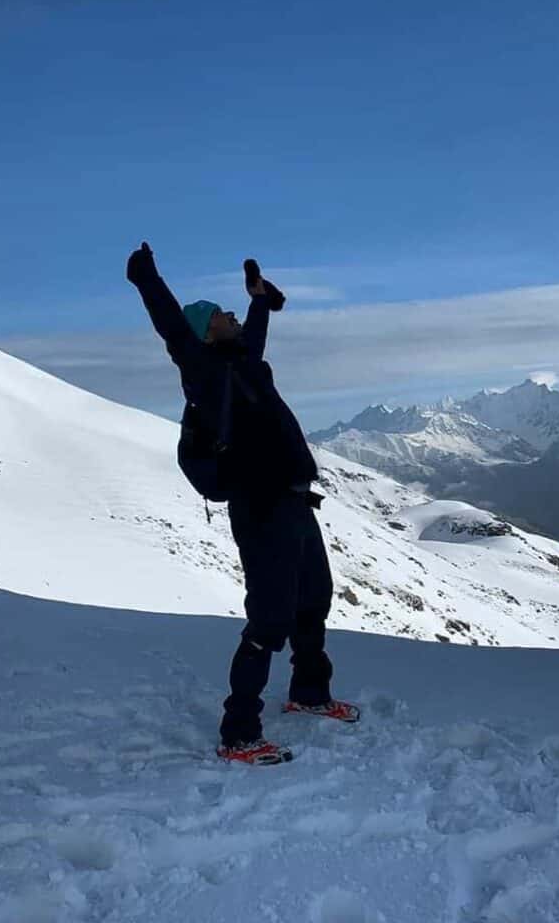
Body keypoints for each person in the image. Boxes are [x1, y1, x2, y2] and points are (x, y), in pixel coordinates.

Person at [126, 241, 358, 766]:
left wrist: (257, 301)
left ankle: (309, 693)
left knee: (312, 600)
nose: (232, 316)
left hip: (296, 503)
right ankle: (239, 731)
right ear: (208, 331)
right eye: (224, 314)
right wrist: (147, 279)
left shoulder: (242, 363)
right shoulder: (204, 373)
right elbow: (173, 329)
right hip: (261, 509)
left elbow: (251, 334)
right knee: (269, 619)